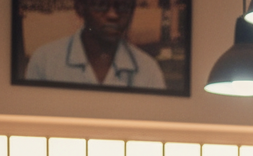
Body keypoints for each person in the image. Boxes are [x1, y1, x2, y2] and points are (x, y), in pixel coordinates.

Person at [25, 0, 166, 90]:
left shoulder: (148, 71)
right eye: (101, 4)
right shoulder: (45, 62)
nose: (112, 15)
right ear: (80, 7)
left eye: (122, 5)